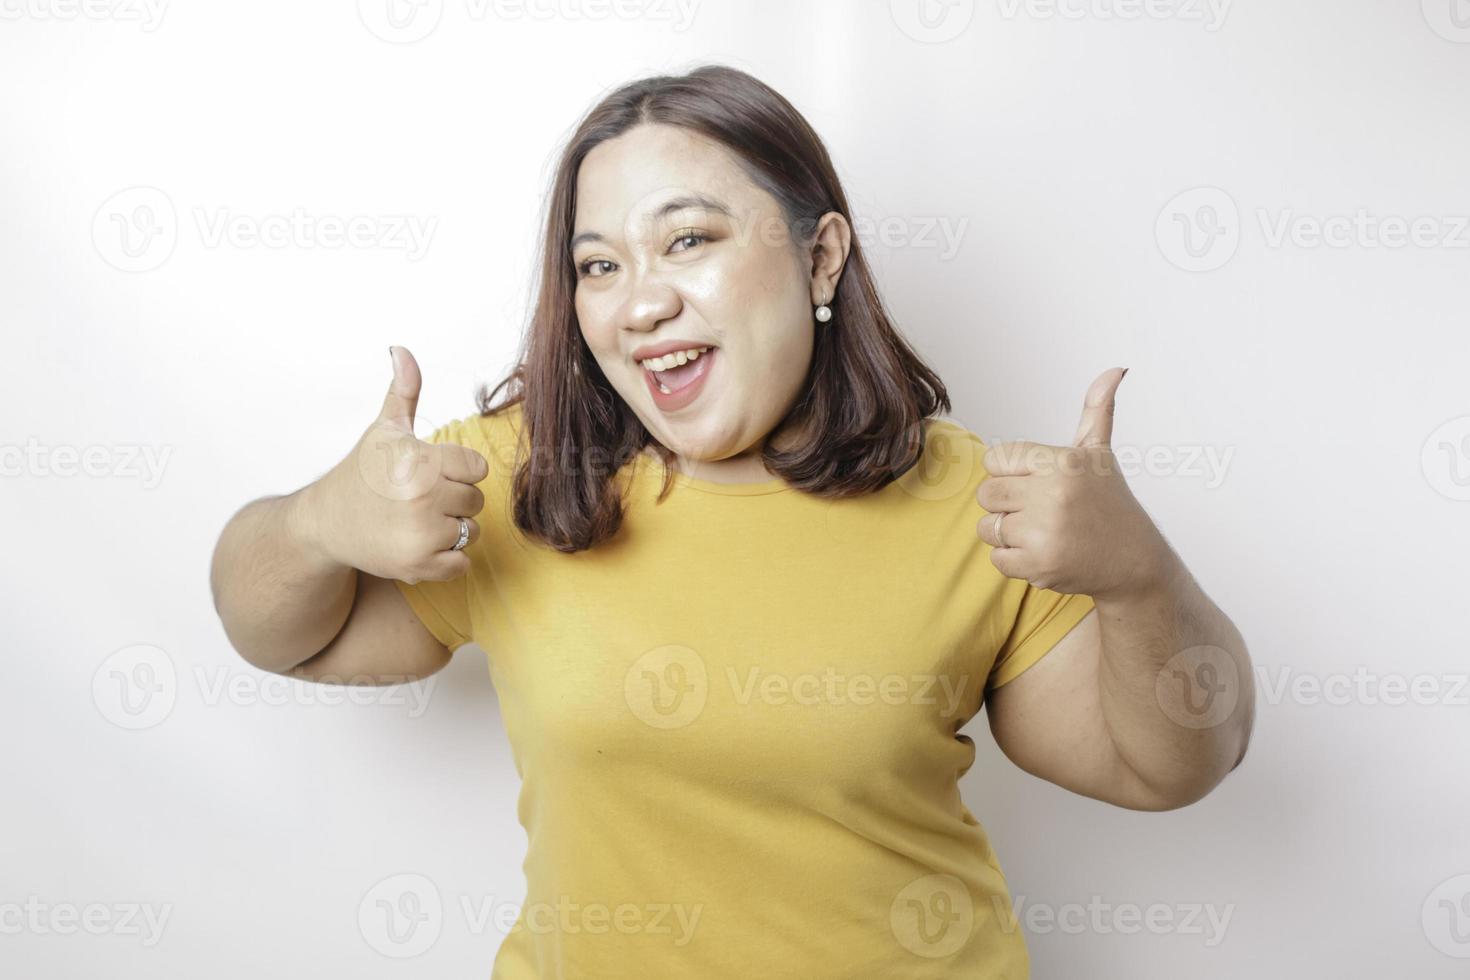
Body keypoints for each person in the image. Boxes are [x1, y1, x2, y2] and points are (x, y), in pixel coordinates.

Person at [210, 63, 1254, 978]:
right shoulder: (519, 479)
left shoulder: (969, 500)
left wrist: (1137, 573)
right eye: (599, 264)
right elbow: (286, 634)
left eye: (689, 240)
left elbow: (1169, 766)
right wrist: (315, 523)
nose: (640, 302)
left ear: (821, 257)